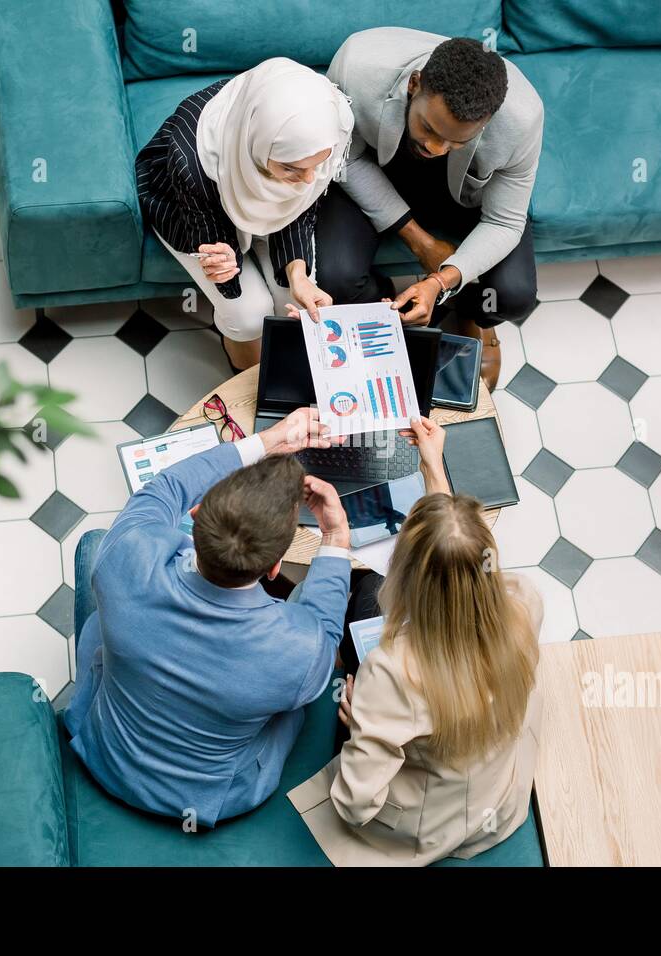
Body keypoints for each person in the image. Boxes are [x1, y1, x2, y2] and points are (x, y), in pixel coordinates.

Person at [64, 407, 353, 828]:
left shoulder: (127, 550)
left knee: (100, 602)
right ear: (275, 569)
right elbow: (325, 634)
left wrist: (268, 440)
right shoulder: (298, 651)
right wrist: (334, 536)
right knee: (298, 700)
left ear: (194, 518)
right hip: (205, 800)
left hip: (105, 754)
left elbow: (167, 486)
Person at [289, 417, 545, 864]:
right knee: (370, 596)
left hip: (432, 822)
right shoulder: (523, 601)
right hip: (495, 796)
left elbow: (354, 805)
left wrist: (360, 723)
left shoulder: (392, 672)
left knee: (364, 598)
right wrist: (433, 470)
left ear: (407, 573)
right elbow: (454, 551)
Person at [317, 29, 544, 391]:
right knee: (334, 277)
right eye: (429, 128)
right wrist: (420, 242)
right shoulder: (358, 64)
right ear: (414, 84)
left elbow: (504, 221)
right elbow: (345, 158)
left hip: (467, 194)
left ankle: (472, 315)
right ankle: (384, 303)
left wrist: (442, 280)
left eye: (457, 140)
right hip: (379, 168)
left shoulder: (523, 117)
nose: (437, 148)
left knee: (513, 296)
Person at [136, 58, 354, 371]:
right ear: (256, 145)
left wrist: (298, 277)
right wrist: (223, 260)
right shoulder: (193, 160)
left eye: (316, 166)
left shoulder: (330, 124)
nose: (308, 180)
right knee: (248, 315)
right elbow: (210, 239)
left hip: (271, 211)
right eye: (291, 167)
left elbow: (301, 209)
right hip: (187, 204)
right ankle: (246, 381)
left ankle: (281, 375)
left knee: (292, 301)